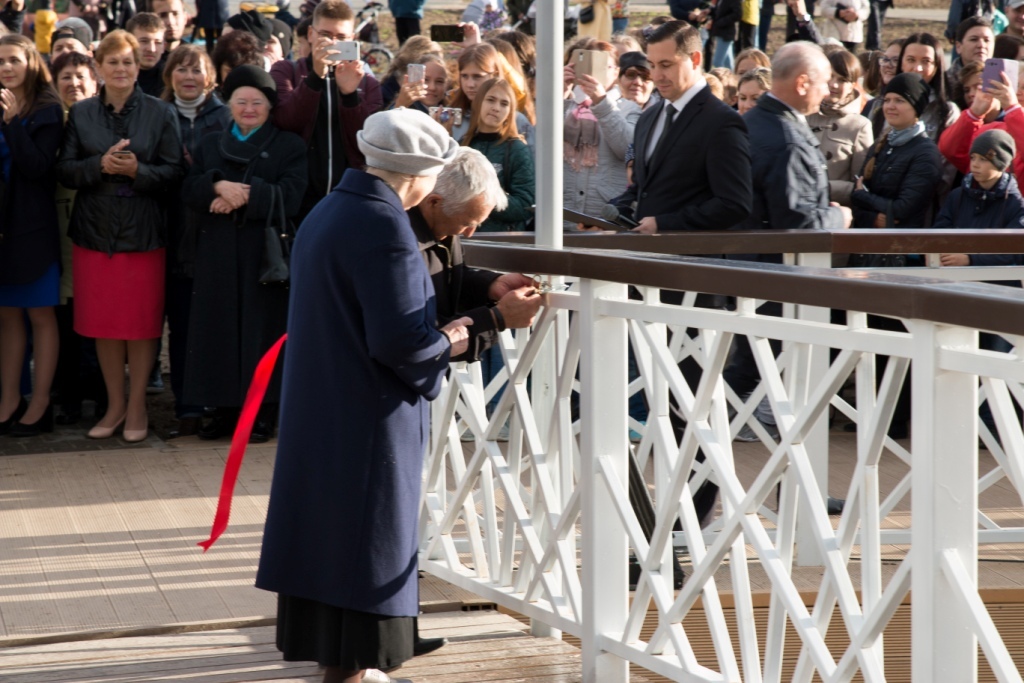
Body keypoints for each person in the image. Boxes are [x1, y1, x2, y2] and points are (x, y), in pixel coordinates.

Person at [255, 108, 463, 683]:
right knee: (363, 552)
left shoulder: (332, 207)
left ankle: (348, 670)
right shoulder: (384, 225)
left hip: (325, 404)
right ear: (417, 175)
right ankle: (349, 674)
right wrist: (458, 336)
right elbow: (401, 343)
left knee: (330, 551)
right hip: (365, 416)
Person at [56, 30, 186, 443]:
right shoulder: (81, 113)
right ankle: (114, 406)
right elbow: (65, 170)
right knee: (104, 324)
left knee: (141, 325)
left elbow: (176, 173)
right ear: (98, 66)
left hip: (143, 232)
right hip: (94, 231)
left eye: (128, 61)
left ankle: (137, 407)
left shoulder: (161, 112)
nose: (120, 69)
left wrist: (137, 171)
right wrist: (99, 165)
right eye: (112, 62)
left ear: (138, 65)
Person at [726, 42, 850, 463]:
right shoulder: (786, 137)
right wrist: (838, 217)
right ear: (801, 83)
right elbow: (797, 226)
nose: (828, 90)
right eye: (824, 82)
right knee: (778, 387)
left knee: (749, 383)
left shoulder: (751, 123)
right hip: (780, 287)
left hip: (751, 277)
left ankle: (699, 484)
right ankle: (795, 489)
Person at [181, 65, 306, 442]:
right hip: (216, 253)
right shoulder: (209, 144)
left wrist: (242, 196)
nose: (249, 109)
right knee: (217, 331)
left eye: (257, 102)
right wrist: (217, 186)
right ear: (229, 104)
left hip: (263, 255)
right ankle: (221, 410)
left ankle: (262, 412)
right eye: (241, 102)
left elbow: (293, 195)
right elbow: (188, 189)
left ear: (269, 106)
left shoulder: (289, 145)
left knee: (261, 332)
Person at [612, 20, 751, 234]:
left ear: (695, 59)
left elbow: (734, 204)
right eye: (652, 65)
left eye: (666, 65)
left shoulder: (721, 121)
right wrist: (612, 213)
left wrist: (664, 224)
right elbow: (643, 189)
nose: (656, 76)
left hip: (691, 253)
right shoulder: (648, 117)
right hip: (643, 251)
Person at [413, 146, 542, 361]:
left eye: (476, 225)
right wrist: (496, 318)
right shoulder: (397, 245)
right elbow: (413, 340)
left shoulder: (440, 224)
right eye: (466, 223)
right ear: (434, 202)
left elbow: (444, 282)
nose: (469, 233)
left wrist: (489, 285)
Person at [162, 43, 231, 437]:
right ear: (169, 75)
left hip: (214, 233)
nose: (189, 77)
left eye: (197, 69)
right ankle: (186, 405)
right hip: (168, 233)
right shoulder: (157, 113)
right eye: (181, 69)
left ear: (211, 78)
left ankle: (218, 402)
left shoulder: (226, 117)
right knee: (181, 326)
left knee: (215, 325)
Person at [0, 35, 64, 437]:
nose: (6, 67)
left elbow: (37, 167)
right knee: (7, 315)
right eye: (0, 61)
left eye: (13, 60)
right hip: (2, 230)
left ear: (31, 63)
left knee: (41, 314)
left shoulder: (48, 110)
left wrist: (11, 124)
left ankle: (40, 404)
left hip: (33, 228)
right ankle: (9, 400)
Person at [270, 0, 382, 221]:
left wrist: (350, 95)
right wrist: (315, 77)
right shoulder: (286, 71)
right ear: (311, 34)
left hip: (348, 201)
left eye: (341, 37)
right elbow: (286, 121)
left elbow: (367, 142)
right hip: (297, 197)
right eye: (325, 35)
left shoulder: (367, 83)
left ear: (353, 40)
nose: (333, 43)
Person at [50, 51, 99, 427]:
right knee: (64, 319)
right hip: (58, 231)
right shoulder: (51, 122)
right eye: (66, 76)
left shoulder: (102, 120)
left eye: (81, 76)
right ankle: (67, 395)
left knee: (97, 319)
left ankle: (100, 394)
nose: (74, 83)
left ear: (95, 82)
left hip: (98, 230)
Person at [561, 40, 640, 230]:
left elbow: (626, 149)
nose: (592, 72)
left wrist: (601, 102)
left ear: (616, 72)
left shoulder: (630, 109)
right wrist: (557, 95)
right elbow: (540, 147)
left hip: (605, 219)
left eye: (604, 64)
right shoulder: (564, 105)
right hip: (562, 216)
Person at [852, 72, 942, 230]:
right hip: (869, 239)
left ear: (916, 107)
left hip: (905, 242)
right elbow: (855, 198)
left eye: (899, 100)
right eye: (887, 100)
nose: (890, 106)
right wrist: (872, 219)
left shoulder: (926, 153)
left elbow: (903, 209)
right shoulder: (880, 144)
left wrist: (863, 196)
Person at [462, 77, 534, 232]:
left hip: (501, 240)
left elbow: (525, 205)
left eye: (504, 104)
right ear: (478, 102)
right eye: (490, 100)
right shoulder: (463, 145)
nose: (496, 108)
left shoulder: (517, 149)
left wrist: (484, 199)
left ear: (510, 112)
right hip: (463, 239)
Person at [807, 49, 873, 206]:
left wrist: (823, 188)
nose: (833, 84)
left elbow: (860, 185)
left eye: (842, 80)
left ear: (852, 86)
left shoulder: (859, 126)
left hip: (835, 211)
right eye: (830, 76)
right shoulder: (803, 114)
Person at [939, 66, 1024, 180]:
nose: (1017, 92)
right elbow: (950, 150)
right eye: (1016, 86)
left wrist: (1013, 109)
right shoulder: (994, 129)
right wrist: (973, 114)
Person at [449, 42, 536, 151]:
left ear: (495, 74)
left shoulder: (516, 120)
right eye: (464, 76)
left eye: (477, 76)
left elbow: (533, 158)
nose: (470, 84)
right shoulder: (453, 116)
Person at [895, 33, 959, 142]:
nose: (917, 68)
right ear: (901, 63)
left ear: (936, 67)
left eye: (926, 61)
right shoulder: (882, 105)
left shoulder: (947, 111)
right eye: (911, 60)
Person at [378, 35, 442, 106]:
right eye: (426, 79)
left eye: (439, 81)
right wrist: (400, 105)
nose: (432, 87)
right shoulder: (383, 95)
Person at [947, 16, 995, 94]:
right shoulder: (944, 82)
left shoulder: (1003, 80)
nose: (981, 45)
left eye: (986, 40)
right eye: (974, 39)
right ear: (958, 46)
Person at [126, 12, 167, 97]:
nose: (151, 49)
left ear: (164, 46)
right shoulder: (117, 75)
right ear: (128, 43)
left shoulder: (171, 80)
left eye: (157, 42)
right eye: (144, 41)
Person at [709, 0, 740, 69]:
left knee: (717, 62)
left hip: (726, 33)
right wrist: (710, 11)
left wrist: (721, 22)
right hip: (721, 32)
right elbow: (720, 10)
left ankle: (723, 75)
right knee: (728, 63)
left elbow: (738, 14)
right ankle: (732, 75)